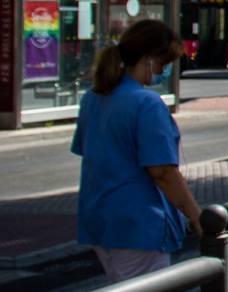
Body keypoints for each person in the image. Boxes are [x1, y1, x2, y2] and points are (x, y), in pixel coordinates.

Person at [71, 19, 201, 281]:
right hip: (139, 223)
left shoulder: (93, 98)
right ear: (149, 59)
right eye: (164, 64)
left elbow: (89, 151)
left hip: (100, 220)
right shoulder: (147, 104)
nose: (164, 71)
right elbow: (163, 171)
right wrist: (197, 217)